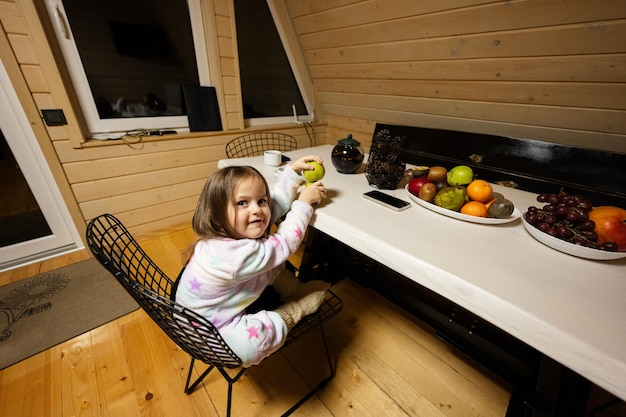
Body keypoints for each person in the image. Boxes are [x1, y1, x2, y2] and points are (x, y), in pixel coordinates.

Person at [175, 155, 331, 367]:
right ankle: (295, 309)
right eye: (242, 203)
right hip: (210, 335)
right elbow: (285, 242)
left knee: (267, 258)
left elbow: (273, 205)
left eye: (260, 201)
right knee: (252, 344)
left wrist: (292, 173)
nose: (256, 209)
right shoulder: (237, 257)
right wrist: (303, 204)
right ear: (217, 215)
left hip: (193, 315)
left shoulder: (222, 234)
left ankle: (291, 288)